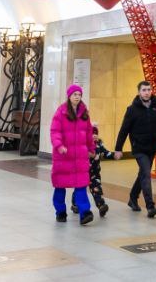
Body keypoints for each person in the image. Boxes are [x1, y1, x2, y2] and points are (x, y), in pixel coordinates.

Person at [113, 79, 156, 218]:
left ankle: (133, 198)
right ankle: (150, 206)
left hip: (152, 147)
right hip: (139, 148)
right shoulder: (132, 109)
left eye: (148, 90)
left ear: (151, 91)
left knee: (143, 174)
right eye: (144, 90)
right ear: (139, 92)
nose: (146, 92)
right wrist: (118, 149)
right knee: (146, 173)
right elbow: (124, 130)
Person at [50, 84, 94, 225]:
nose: (77, 97)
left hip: (80, 157)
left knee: (81, 185)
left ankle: (85, 213)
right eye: (74, 94)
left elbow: (88, 133)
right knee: (60, 186)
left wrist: (91, 148)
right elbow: (55, 131)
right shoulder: (61, 112)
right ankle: (60, 211)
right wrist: (59, 145)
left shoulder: (84, 113)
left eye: (79, 95)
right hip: (63, 156)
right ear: (69, 96)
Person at [72, 126, 111, 218]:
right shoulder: (83, 145)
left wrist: (114, 155)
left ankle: (101, 206)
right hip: (83, 172)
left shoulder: (99, 145)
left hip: (95, 174)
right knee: (79, 189)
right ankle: (75, 204)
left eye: (96, 134)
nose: (94, 136)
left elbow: (106, 153)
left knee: (96, 190)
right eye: (92, 134)